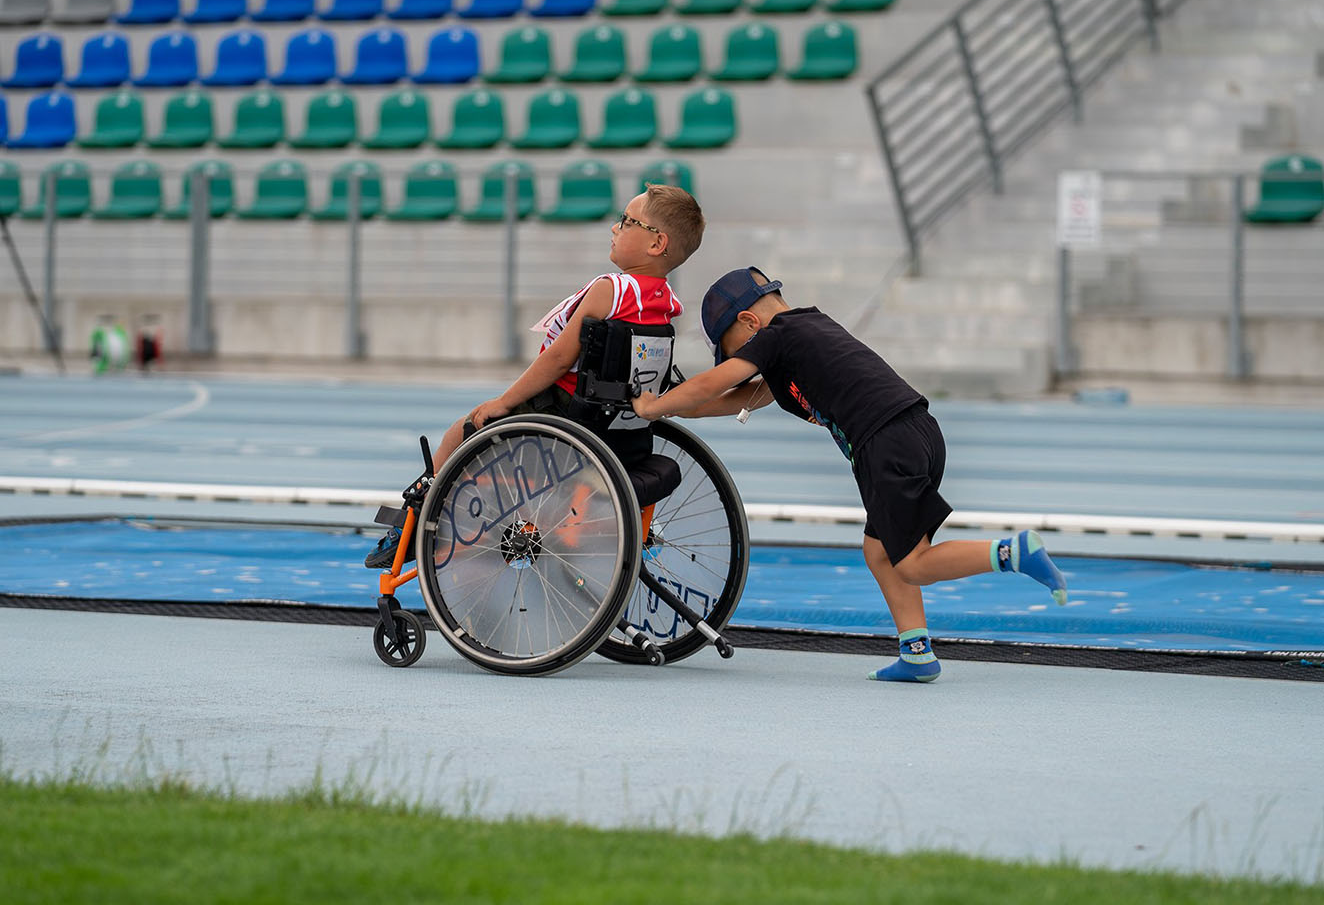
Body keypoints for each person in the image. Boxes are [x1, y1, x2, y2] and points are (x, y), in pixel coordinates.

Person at [632, 267, 1068, 683]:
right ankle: (916, 653)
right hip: (915, 432)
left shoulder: (777, 336)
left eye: (737, 348)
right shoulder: (804, 336)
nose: (743, 358)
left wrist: (652, 406)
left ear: (750, 322)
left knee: (913, 564)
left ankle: (1014, 552)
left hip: (886, 443)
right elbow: (730, 398)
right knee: (879, 552)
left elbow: (713, 383)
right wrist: (672, 405)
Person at [364, 184, 706, 569]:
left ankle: (417, 522)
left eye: (627, 221)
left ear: (656, 243)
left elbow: (560, 358)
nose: (614, 228)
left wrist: (504, 402)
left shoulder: (610, 290)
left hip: (564, 415)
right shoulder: (665, 304)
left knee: (460, 432)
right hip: (623, 434)